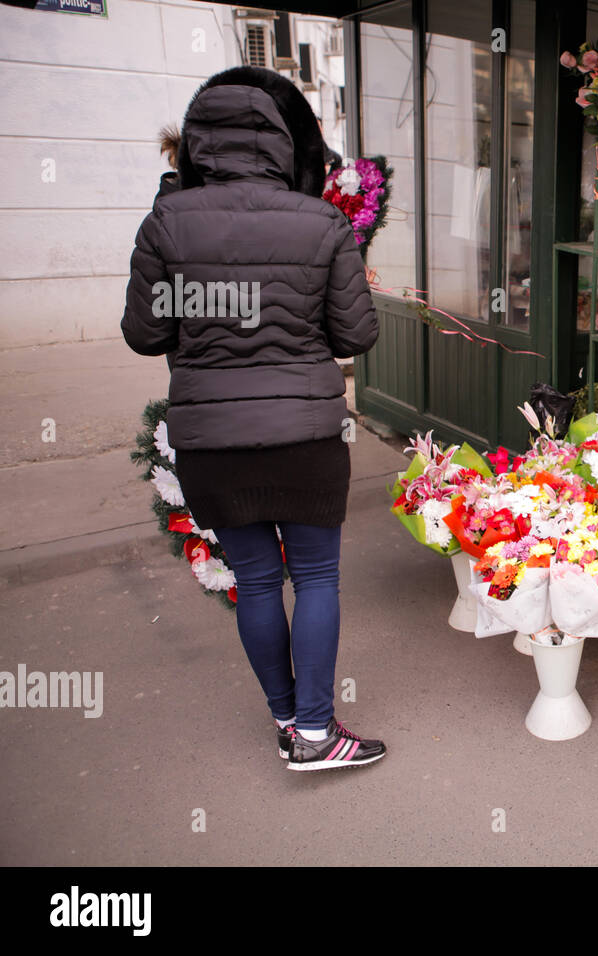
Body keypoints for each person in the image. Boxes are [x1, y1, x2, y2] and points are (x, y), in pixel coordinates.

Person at [121, 67, 384, 771]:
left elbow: (145, 333)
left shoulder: (168, 221)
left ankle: (285, 717)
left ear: (197, 142)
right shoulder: (322, 221)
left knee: (260, 581)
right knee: (318, 578)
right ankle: (317, 733)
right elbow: (356, 334)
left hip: (214, 440)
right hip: (305, 437)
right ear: (280, 141)